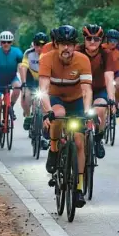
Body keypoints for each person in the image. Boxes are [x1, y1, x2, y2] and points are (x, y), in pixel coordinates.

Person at [39, 24, 93, 208]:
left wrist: (86, 112)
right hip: (55, 98)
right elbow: (43, 90)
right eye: (62, 44)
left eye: (70, 44)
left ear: (74, 45)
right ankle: (54, 150)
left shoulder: (83, 60)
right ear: (55, 44)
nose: (66, 48)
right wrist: (48, 112)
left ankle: (78, 188)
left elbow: (86, 90)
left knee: (79, 140)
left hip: (76, 99)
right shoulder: (46, 58)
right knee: (59, 114)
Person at [76, 24, 117, 158]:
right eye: (89, 38)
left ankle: (98, 139)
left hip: (99, 89)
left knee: (100, 109)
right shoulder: (77, 52)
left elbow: (109, 77)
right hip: (80, 89)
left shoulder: (106, 54)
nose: (92, 42)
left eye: (96, 39)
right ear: (84, 39)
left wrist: (112, 100)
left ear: (101, 40)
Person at [0, 31, 23, 143]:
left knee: (18, 87)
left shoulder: (17, 52)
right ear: (0, 42)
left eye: (8, 42)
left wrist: (23, 81)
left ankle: (11, 107)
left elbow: (20, 68)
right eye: (4, 42)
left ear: (11, 42)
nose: (6, 44)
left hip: (12, 78)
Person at [20, 32, 49, 134]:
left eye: (42, 45)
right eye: (37, 45)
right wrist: (23, 83)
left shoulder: (50, 53)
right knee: (26, 95)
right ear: (34, 44)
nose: (39, 48)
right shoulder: (28, 53)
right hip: (31, 79)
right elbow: (23, 67)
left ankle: (42, 127)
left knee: (42, 103)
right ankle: (28, 116)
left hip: (44, 80)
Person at [102, 29, 119, 117]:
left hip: (116, 71)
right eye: (111, 40)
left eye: (115, 41)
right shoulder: (102, 48)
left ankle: (115, 104)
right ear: (107, 40)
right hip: (104, 71)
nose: (113, 43)